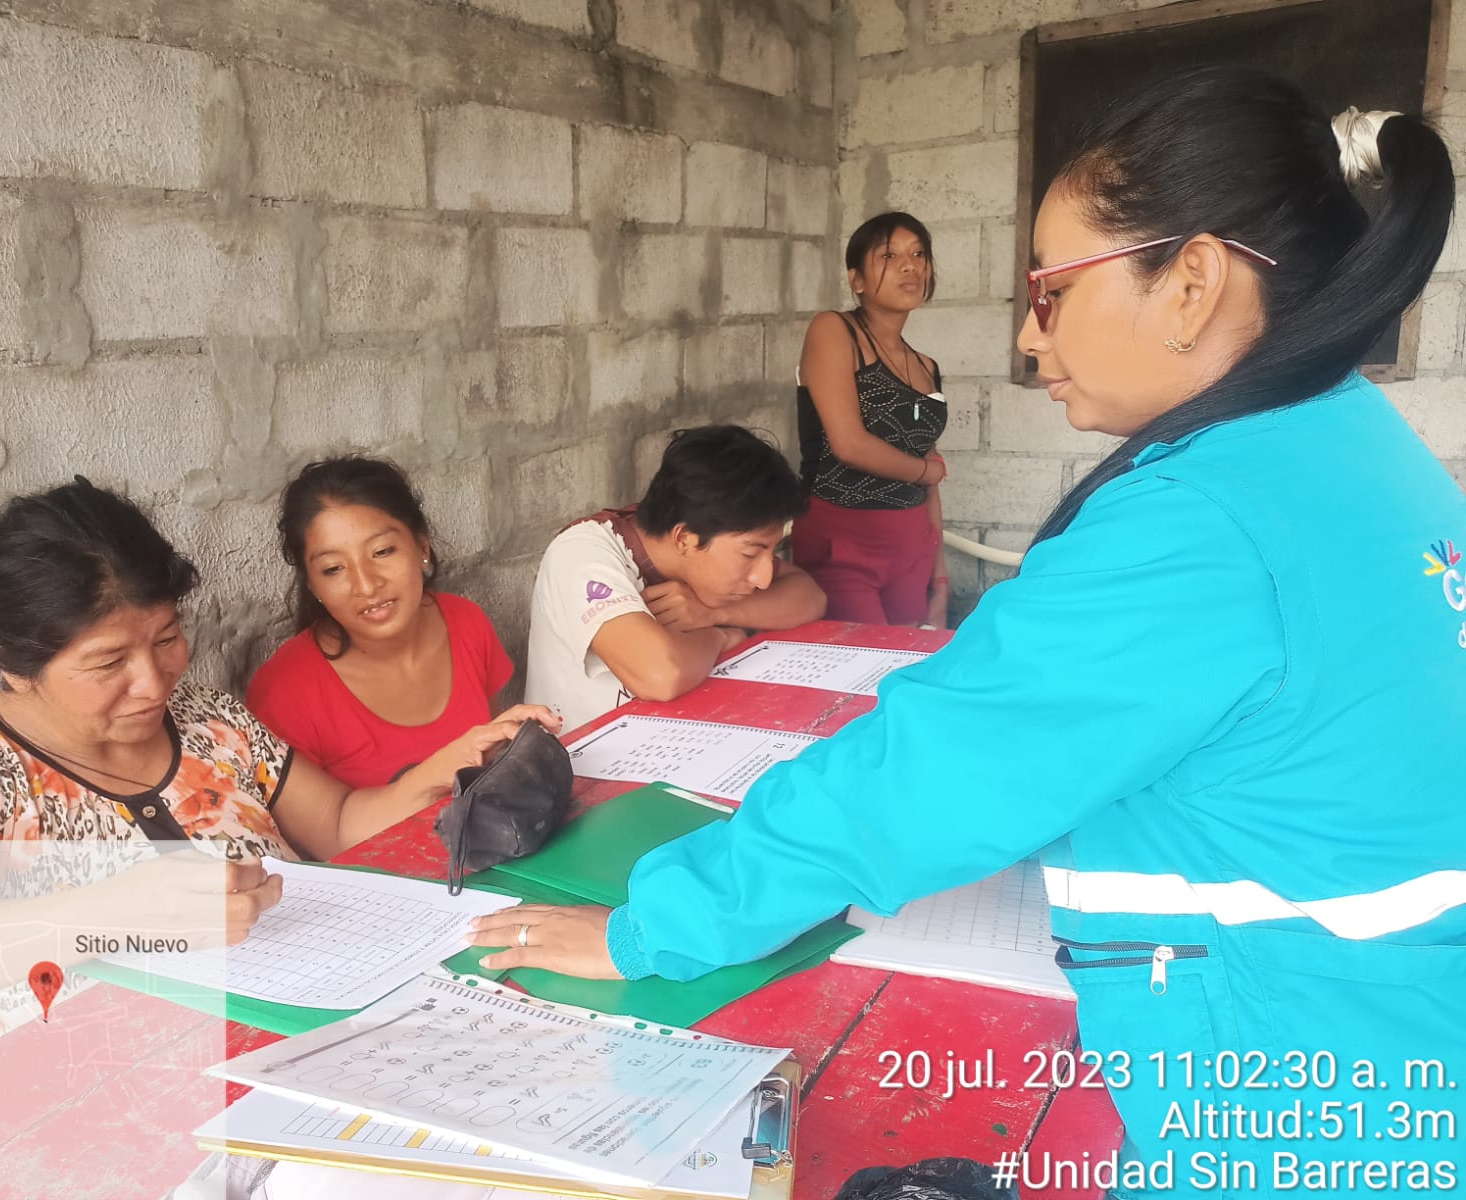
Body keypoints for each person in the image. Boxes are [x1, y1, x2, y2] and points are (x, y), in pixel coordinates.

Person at [471, 68, 1466, 1197]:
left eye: (1053, 290)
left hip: (1296, 1112)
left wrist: (654, 926)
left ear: (1190, 283)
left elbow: (927, 769)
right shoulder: (1357, 448)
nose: (1032, 338)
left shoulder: (1201, 518)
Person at [0, 477, 538, 1020]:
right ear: (15, 665)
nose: (153, 682)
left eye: (166, 639)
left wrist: (448, 763)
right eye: (108, 663)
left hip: (289, 1036)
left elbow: (336, 824)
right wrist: (107, 915)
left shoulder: (205, 718)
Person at [247, 456, 556, 789]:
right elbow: (316, 822)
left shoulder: (467, 624)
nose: (367, 585)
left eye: (382, 552)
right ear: (313, 586)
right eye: (333, 569)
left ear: (422, 547)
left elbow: (491, 768)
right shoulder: (284, 694)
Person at [524, 425, 825, 730]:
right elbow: (660, 675)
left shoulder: (700, 541)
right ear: (684, 539)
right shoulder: (581, 554)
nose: (763, 578)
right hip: (584, 756)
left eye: (771, 552)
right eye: (750, 554)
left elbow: (810, 597)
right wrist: (720, 636)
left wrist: (713, 613)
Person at [794, 212, 950, 627]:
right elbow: (850, 445)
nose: (910, 266)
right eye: (889, 256)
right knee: (859, 661)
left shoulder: (927, 366)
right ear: (856, 280)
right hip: (841, 544)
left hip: (912, 549)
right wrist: (925, 472)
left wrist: (940, 578)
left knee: (908, 658)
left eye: (919, 254)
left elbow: (931, 476)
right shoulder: (834, 330)